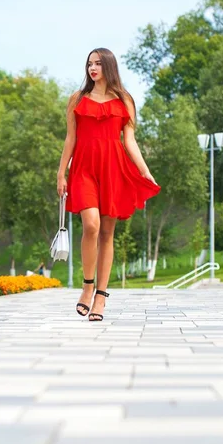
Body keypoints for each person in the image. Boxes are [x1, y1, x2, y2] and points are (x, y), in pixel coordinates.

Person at [57, 47, 160, 321]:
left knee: (106, 234)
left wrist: (145, 171)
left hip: (114, 168)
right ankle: (87, 286)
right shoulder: (76, 99)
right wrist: (60, 173)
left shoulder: (125, 100)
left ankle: (101, 297)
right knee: (91, 225)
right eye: (89, 63)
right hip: (83, 169)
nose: (92, 68)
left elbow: (130, 141)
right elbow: (71, 138)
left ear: (109, 67)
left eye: (98, 64)